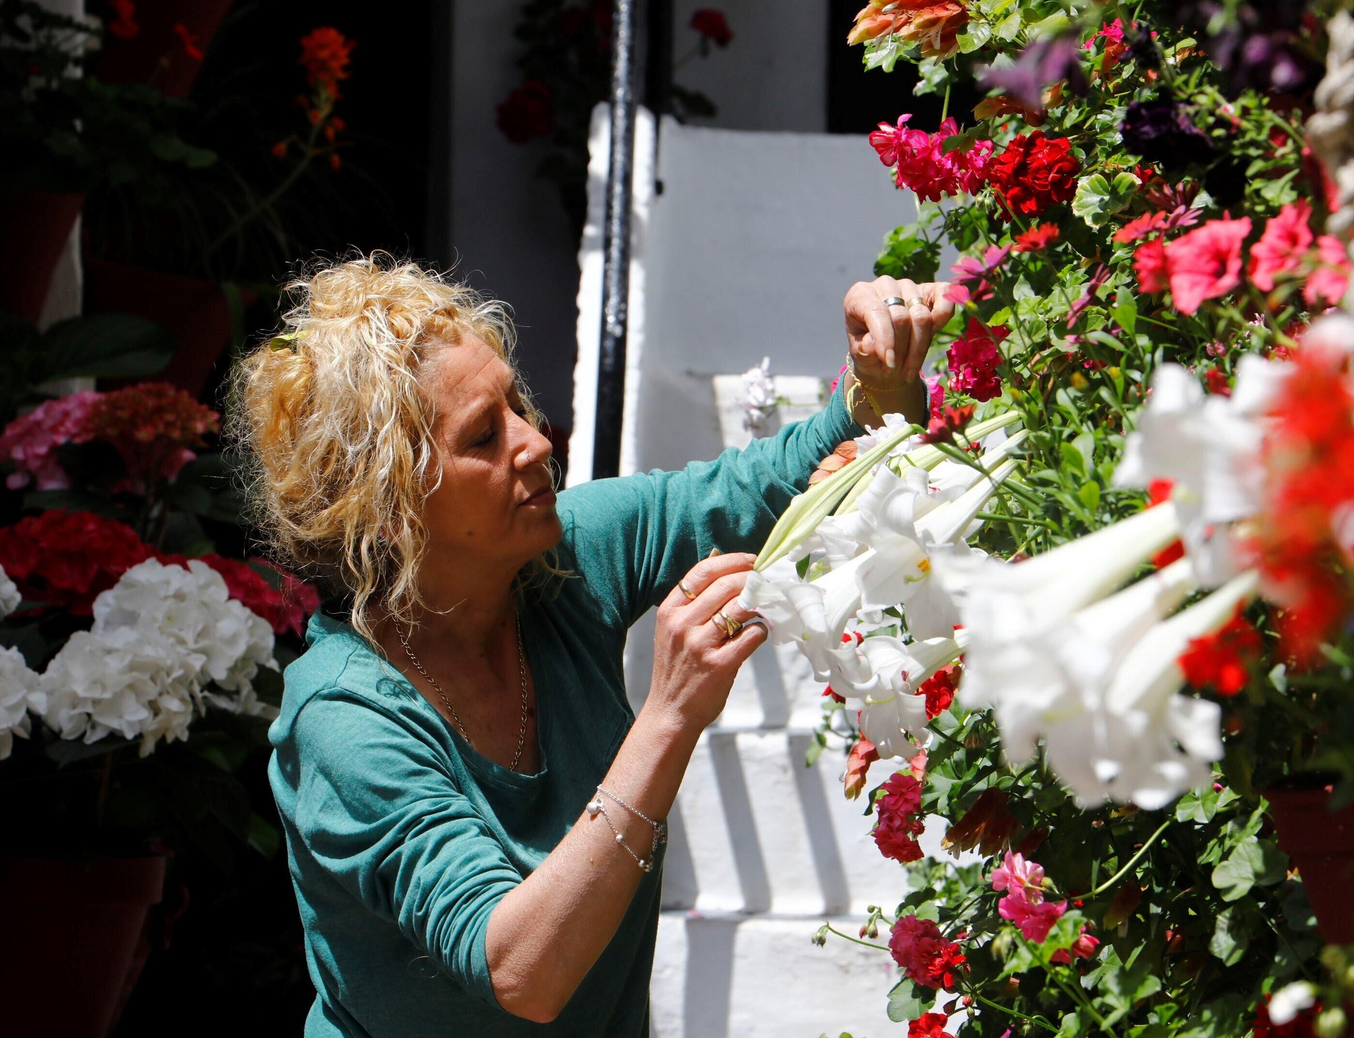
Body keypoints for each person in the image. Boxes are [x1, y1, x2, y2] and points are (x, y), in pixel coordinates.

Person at [231, 254, 952, 1037]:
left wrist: (874, 379)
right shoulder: (344, 719)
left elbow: (763, 483)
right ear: (390, 515)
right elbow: (520, 969)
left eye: (515, 402)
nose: (535, 442)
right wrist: (668, 718)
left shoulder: (560, 557)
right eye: (482, 435)